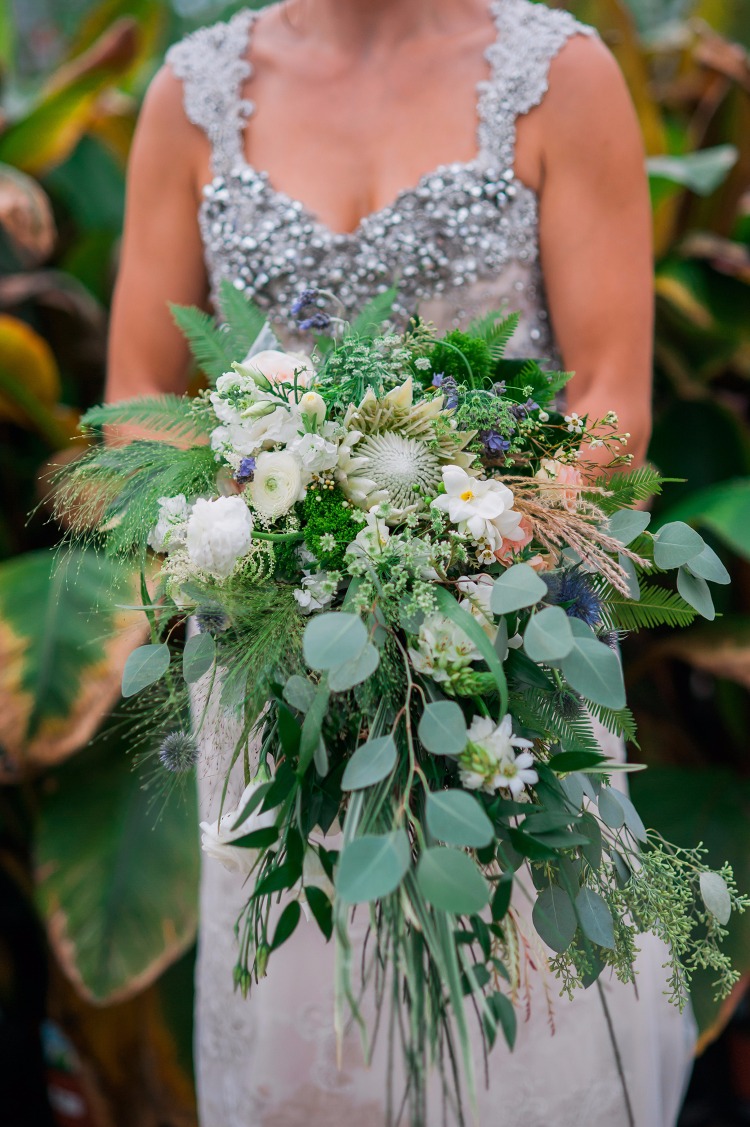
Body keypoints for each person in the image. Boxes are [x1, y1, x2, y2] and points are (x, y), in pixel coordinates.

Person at [106, 1, 696, 1123]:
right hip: (273, 663)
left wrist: (460, 552)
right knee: (302, 1022)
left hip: (502, 651)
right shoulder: (191, 95)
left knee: (529, 1011)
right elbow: (139, 401)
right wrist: (258, 549)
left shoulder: (560, 75)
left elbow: (611, 403)